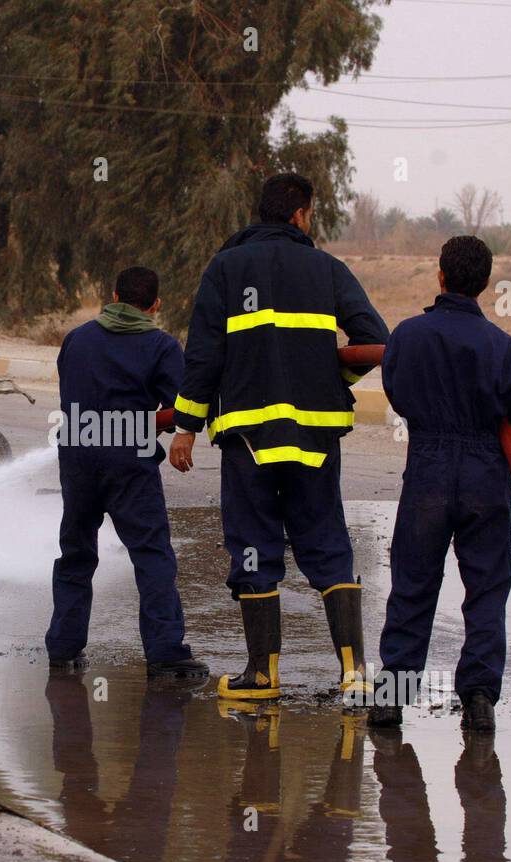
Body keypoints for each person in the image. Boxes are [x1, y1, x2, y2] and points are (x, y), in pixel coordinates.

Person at [169, 173, 389, 702]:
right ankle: (355, 674)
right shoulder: (328, 270)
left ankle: (262, 675)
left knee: (252, 545)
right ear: (299, 216)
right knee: (327, 539)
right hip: (316, 434)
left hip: (248, 437)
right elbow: (376, 340)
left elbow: (203, 356)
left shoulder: (225, 268)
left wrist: (185, 429)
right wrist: (335, 380)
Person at [371, 236, 511, 733]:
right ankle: (478, 702)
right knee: (486, 589)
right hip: (485, 474)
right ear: (485, 283)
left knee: (412, 584)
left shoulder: (408, 336)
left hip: (427, 469)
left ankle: (392, 698)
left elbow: (396, 389)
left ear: (441, 276)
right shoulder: (502, 347)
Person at [44, 266, 208, 678]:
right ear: (156, 305)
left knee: (76, 554)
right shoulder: (161, 345)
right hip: (126, 462)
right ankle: (167, 652)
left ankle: (63, 647)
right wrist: (154, 422)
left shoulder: (77, 339)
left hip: (78, 457)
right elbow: (181, 408)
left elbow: (74, 396)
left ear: (112, 295)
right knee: (151, 554)